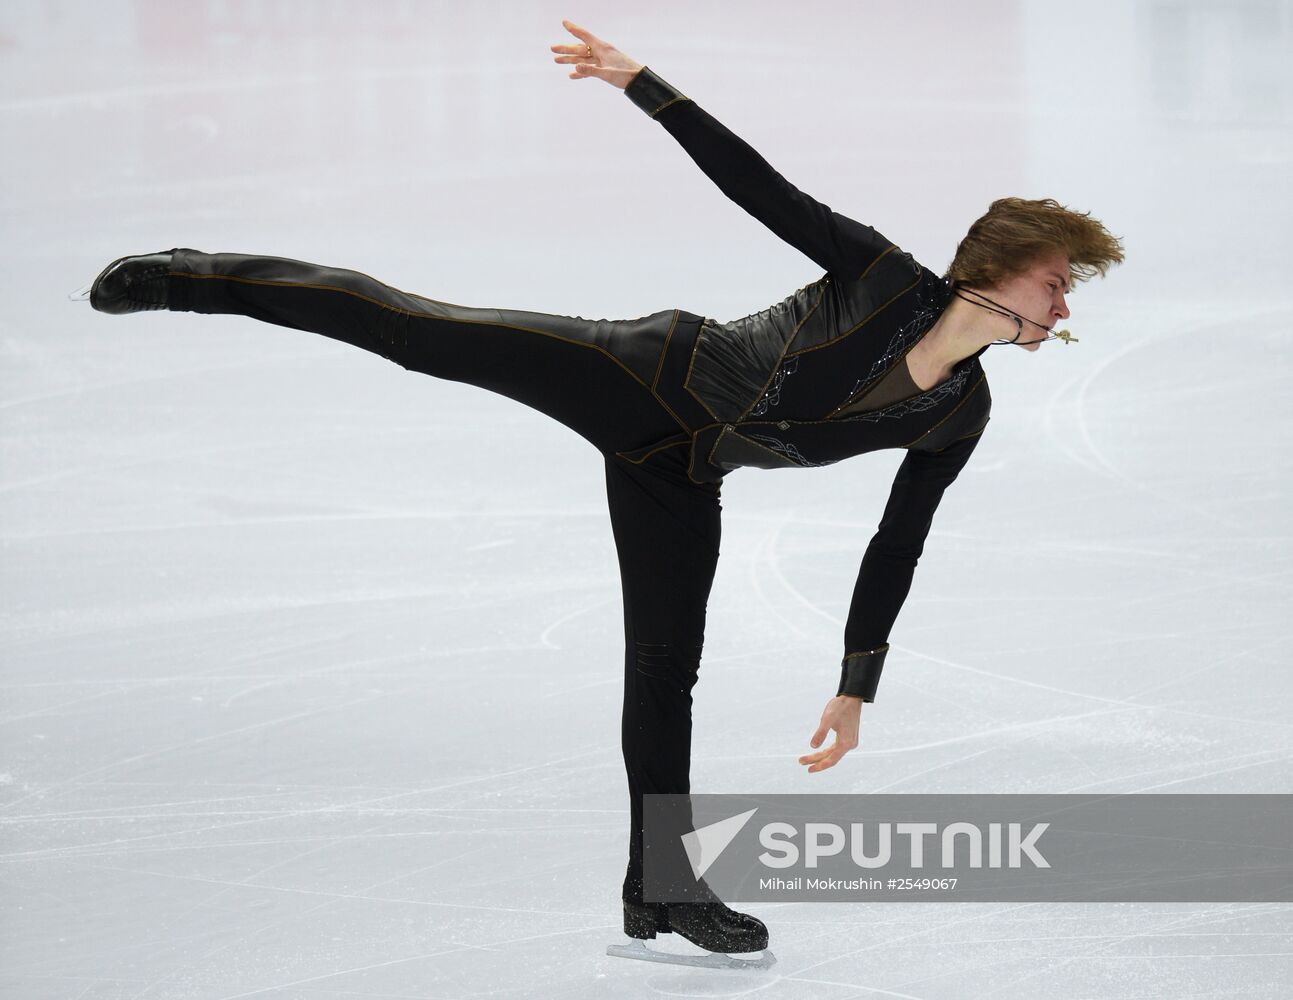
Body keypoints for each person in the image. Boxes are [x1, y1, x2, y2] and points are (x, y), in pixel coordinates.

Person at [85, 19, 1124, 964]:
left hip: (679, 470)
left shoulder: (957, 414)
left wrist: (856, 684)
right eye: (1056, 282)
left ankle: (660, 885)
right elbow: (757, 184)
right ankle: (190, 276)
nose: (1064, 305)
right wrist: (643, 84)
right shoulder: (884, 280)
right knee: (416, 331)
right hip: (639, 374)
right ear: (1001, 268)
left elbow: (897, 543)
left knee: (665, 669)